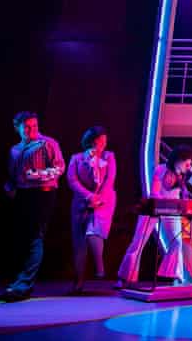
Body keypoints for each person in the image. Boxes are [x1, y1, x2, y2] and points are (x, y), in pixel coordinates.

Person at [116, 145, 192, 288]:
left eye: (190, 163)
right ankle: (125, 278)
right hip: (153, 207)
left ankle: (175, 277)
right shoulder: (161, 169)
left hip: (173, 210)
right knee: (138, 241)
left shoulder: (186, 173)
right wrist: (161, 206)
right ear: (178, 160)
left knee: (176, 243)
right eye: (187, 162)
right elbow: (155, 193)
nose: (189, 166)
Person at [0, 112, 65, 303]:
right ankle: (19, 282)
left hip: (42, 194)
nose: (32, 130)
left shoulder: (47, 144)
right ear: (18, 128)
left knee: (35, 237)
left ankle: (24, 285)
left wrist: (39, 175)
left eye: (34, 126)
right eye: (27, 127)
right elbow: (14, 175)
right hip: (23, 195)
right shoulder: (15, 149)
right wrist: (10, 186)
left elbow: (60, 167)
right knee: (23, 237)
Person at [67, 126, 117, 295]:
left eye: (104, 141)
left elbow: (110, 179)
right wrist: (88, 196)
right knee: (79, 242)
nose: (102, 145)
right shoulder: (76, 159)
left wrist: (98, 198)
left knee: (94, 230)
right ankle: (79, 282)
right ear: (90, 142)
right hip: (82, 201)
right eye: (98, 142)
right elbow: (72, 180)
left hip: (104, 201)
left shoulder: (109, 157)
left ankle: (99, 266)